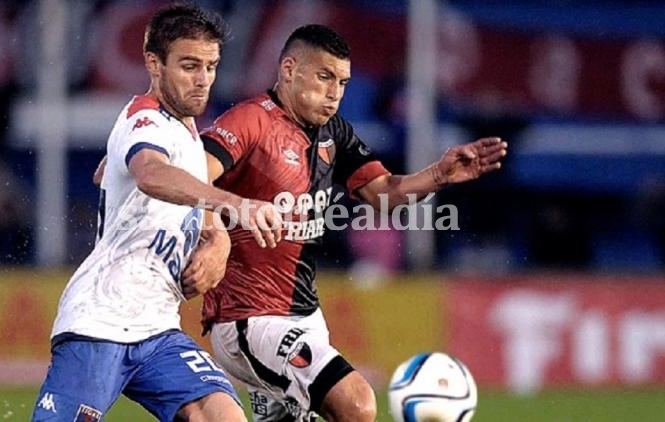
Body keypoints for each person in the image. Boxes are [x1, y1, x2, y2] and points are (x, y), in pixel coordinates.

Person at [199, 24, 508, 421]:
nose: (334, 94)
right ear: (290, 69)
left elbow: (385, 194)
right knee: (357, 403)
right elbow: (194, 177)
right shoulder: (249, 122)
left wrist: (440, 175)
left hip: (305, 317)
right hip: (250, 317)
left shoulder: (335, 133)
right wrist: (213, 235)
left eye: (343, 82)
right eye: (324, 77)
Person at [31, 5, 281, 422]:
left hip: (158, 330)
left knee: (223, 417)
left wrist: (217, 239)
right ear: (153, 62)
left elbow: (120, 175)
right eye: (189, 66)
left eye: (211, 66)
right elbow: (149, 174)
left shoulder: (182, 132)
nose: (203, 80)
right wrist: (236, 205)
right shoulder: (145, 118)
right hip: (101, 322)